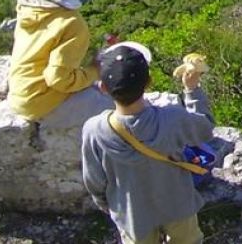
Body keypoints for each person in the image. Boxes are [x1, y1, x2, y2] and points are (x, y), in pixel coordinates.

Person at [81, 42, 215, 244]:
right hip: (177, 204)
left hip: (133, 215)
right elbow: (205, 128)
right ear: (149, 82)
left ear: (103, 88)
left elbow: (94, 181)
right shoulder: (172, 119)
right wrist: (192, 90)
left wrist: (110, 207)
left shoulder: (94, 130)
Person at [7, 0, 111, 127]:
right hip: (39, 102)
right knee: (118, 108)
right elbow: (58, 79)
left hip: (19, 89)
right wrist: (95, 71)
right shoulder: (72, 24)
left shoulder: (29, 0)